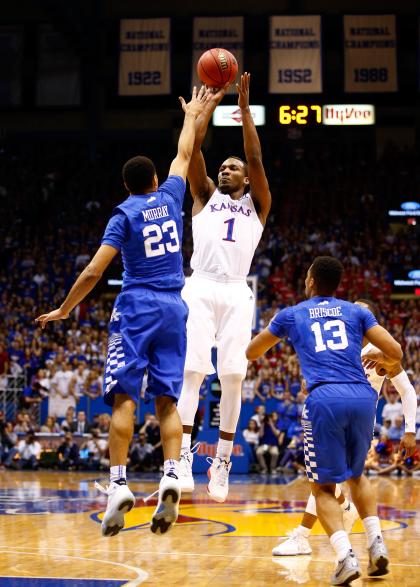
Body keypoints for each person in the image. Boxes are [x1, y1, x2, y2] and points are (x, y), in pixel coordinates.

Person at [36, 86, 211, 537]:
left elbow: (95, 270)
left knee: (124, 398)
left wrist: (64, 308)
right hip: (176, 306)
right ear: (155, 180)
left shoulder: (124, 213)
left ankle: (118, 485)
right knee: (168, 399)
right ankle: (172, 474)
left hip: (136, 306)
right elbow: (185, 151)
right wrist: (192, 114)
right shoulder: (172, 196)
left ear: (126, 186)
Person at [246, 257, 404, 585]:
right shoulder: (357, 311)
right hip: (362, 397)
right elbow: (396, 351)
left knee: (323, 487)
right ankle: (376, 542)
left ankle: (345, 556)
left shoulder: (292, 314)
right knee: (357, 476)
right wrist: (379, 357)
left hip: (325, 399)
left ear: (311, 281)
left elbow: (252, 353)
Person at [178, 73, 271, 502]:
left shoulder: (258, 205)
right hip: (199, 285)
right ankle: (180, 457)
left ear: (247, 180)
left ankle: (223, 461)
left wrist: (245, 110)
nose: (225, 169)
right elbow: (193, 150)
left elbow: (254, 155)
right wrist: (206, 109)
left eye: (232, 167)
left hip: (236, 291)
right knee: (192, 373)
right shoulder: (203, 195)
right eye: (223, 166)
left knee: (233, 379)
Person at [270, 299, 417, 557]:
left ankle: (305, 536)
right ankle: (346, 513)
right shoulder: (337, 346)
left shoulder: (380, 350)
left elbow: (407, 391)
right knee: (327, 479)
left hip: (357, 420)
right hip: (331, 416)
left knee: (324, 480)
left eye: (362, 311)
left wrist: (409, 431)